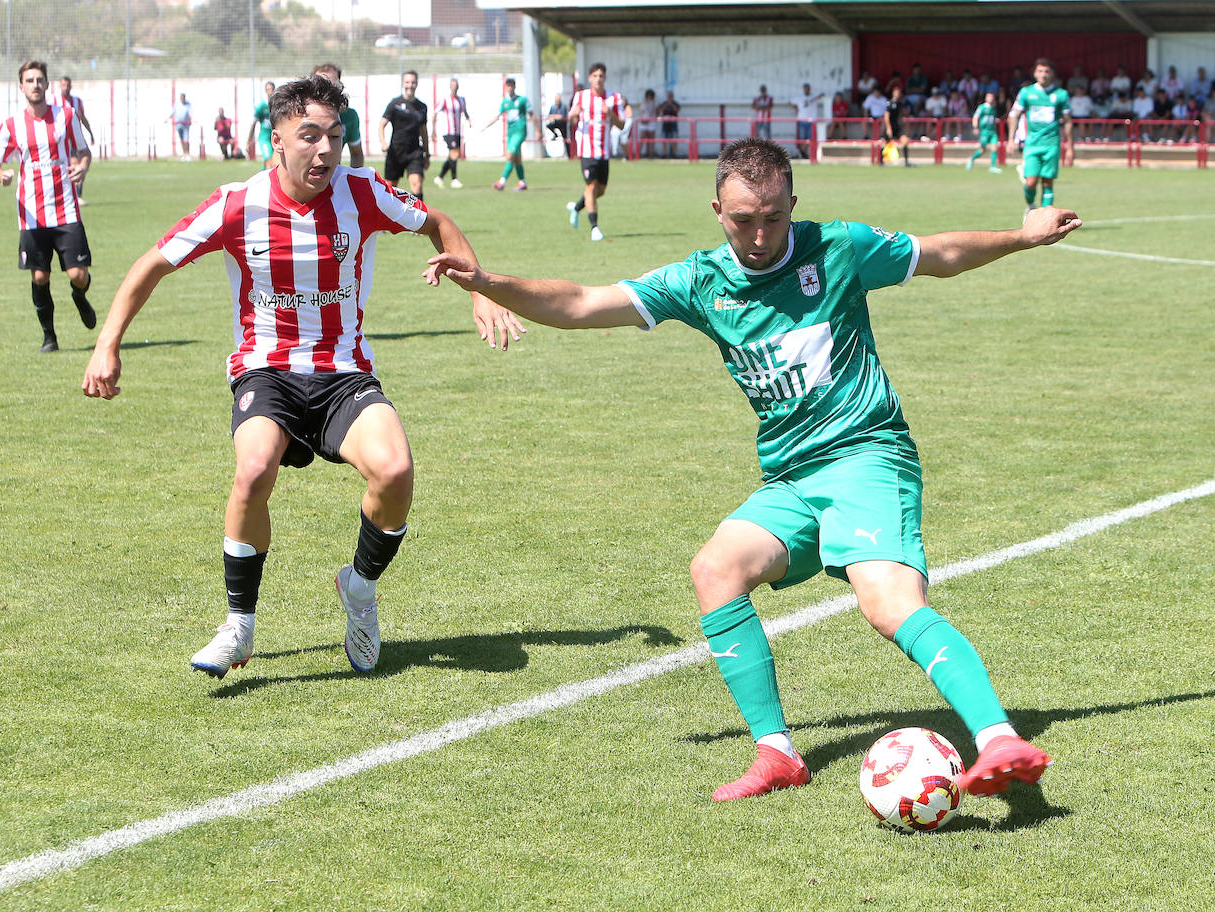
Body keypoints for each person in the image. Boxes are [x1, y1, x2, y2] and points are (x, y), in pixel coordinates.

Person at [425, 136, 1074, 802]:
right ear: (716, 210)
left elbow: (940, 254)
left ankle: (998, 739)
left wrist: (1021, 236)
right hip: (792, 478)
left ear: (793, 203)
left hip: (866, 453)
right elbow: (584, 304)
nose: (760, 235)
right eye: (743, 220)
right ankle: (778, 754)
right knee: (715, 569)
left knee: (887, 604)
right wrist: (489, 282)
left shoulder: (839, 247)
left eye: (773, 217)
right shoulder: (702, 282)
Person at [81, 76, 523, 681]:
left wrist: (479, 290)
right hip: (268, 369)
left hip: (343, 372)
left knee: (395, 471)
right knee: (254, 470)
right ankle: (239, 626)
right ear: (278, 140)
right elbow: (153, 264)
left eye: (335, 137)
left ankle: (360, 589)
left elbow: (438, 223)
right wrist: (108, 344)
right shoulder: (237, 203)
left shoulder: (362, 192)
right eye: (309, 136)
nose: (324, 150)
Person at [0, 60, 95, 353]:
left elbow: (84, 151)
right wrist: (2, 175)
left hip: (65, 209)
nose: (35, 84)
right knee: (39, 276)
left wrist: (83, 168)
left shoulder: (66, 116)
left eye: (40, 80)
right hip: (31, 214)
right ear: (21, 86)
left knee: (78, 274)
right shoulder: (12, 125)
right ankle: (49, 337)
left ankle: (79, 295)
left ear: (47, 85)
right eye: (30, 80)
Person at [566, 62, 630, 242]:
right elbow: (571, 120)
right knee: (591, 187)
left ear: (605, 78)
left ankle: (577, 208)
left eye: (601, 76)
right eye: (595, 76)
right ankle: (595, 227)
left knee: (599, 191)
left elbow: (622, 124)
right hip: (587, 149)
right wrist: (573, 115)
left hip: (604, 151)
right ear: (589, 78)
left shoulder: (613, 98)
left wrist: (610, 114)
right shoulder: (580, 97)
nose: (598, 79)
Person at [1009, 58, 1071, 212]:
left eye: (1047, 71)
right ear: (1035, 73)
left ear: (1052, 74)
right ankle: (1030, 206)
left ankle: (1044, 218)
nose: (1043, 74)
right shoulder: (1026, 92)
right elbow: (1014, 115)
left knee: (1047, 183)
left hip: (1051, 144)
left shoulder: (1061, 94)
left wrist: (1070, 146)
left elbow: (1068, 121)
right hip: (1032, 144)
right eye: (1040, 71)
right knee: (1030, 183)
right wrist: (1010, 139)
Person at [379, 71, 430, 199]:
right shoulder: (395, 104)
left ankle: (419, 218)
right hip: (396, 152)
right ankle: (390, 218)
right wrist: (383, 142)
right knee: (390, 188)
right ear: (403, 83)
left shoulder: (422, 107)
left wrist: (427, 154)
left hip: (414, 153)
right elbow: (381, 125)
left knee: (417, 185)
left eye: (413, 82)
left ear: (416, 84)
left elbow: (423, 131)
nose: (410, 85)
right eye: (407, 82)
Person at [482, 77, 536, 191]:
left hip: (520, 131)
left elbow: (531, 114)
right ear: (505, 87)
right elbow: (497, 116)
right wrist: (485, 126)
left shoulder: (522, 100)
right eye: (508, 85)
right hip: (510, 133)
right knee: (516, 159)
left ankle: (502, 182)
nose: (509, 88)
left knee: (509, 156)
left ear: (515, 87)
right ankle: (522, 182)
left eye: (511, 85)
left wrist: (538, 130)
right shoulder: (505, 102)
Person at [312, 63, 365, 168]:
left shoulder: (349, 116)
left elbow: (356, 153)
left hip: (332, 177)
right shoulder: (300, 114)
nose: (327, 91)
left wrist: (353, 180)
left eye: (332, 85)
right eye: (321, 86)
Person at [55, 75, 94, 204]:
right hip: (62, 140)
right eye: (63, 85)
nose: (65, 88)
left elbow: (83, 118)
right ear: (60, 86)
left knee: (80, 165)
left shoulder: (77, 101)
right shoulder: (54, 101)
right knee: (70, 165)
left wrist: (91, 133)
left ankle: (78, 195)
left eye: (67, 85)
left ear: (71, 86)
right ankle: (69, 195)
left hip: (76, 140)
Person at [432, 77, 471, 189]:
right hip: (448, 131)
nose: (454, 87)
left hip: (458, 132)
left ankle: (439, 177)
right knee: (454, 154)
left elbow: (465, 111)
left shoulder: (461, 100)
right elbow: (434, 113)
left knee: (452, 155)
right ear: (450, 87)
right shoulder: (445, 100)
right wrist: (433, 129)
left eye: (456, 85)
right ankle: (454, 179)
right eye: (452, 85)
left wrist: (468, 119)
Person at [966, 90, 1003, 173]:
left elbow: (993, 119)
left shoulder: (994, 108)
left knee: (994, 148)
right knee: (983, 150)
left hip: (992, 132)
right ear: (986, 98)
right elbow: (975, 117)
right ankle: (971, 159)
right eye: (989, 97)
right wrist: (975, 127)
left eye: (991, 97)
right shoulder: (981, 107)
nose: (990, 98)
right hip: (984, 132)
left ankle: (993, 166)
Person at [881, 86, 912, 166]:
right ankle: (881, 162)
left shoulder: (900, 104)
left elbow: (902, 114)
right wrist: (888, 128)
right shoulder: (889, 103)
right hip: (890, 127)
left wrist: (901, 120)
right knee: (884, 143)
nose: (897, 94)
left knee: (905, 141)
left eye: (899, 93)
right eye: (896, 92)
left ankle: (906, 162)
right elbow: (886, 116)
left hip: (897, 127)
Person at [248, 81, 276, 168]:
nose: (270, 91)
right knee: (268, 159)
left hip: (274, 137)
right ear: (265, 91)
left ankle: (263, 177)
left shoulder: (277, 105)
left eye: (271, 89)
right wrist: (249, 139)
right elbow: (253, 123)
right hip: (264, 138)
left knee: (274, 162)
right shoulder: (262, 106)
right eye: (268, 89)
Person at [793, 82, 823, 153]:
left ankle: (802, 152)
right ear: (803, 89)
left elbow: (822, 95)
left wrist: (812, 100)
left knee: (810, 138)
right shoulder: (799, 97)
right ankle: (804, 154)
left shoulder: (813, 96)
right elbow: (791, 102)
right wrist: (796, 108)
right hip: (802, 121)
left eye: (808, 88)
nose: (807, 90)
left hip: (811, 121)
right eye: (805, 88)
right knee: (802, 139)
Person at [656, 90, 682, 158]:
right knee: (664, 138)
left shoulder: (675, 103)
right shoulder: (664, 103)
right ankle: (664, 153)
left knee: (675, 138)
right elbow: (660, 110)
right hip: (666, 122)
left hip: (673, 122)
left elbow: (677, 110)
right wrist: (667, 104)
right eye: (669, 96)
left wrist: (671, 104)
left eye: (671, 96)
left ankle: (674, 154)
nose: (670, 97)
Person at [637, 88, 658, 158]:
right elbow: (641, 112)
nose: (650, 97)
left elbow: (654, 112)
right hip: (643, 122)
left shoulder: (654, 103)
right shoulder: (643, 102)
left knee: (651, 139)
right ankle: (638, 154)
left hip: (651, 122)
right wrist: (643, 120)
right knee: (642, 138)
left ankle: (650, 153)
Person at [171, 92, 193, 161]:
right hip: (178, 125)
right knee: (182, 140)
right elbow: (173, 113)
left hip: (186, 124)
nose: (182, 99)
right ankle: (184, 154)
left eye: (183, 97)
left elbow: (190, 113)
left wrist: (192, 119)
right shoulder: (177, 105)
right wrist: (167, 119)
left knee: (186, 140)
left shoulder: (188, 104)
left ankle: (188, 154)